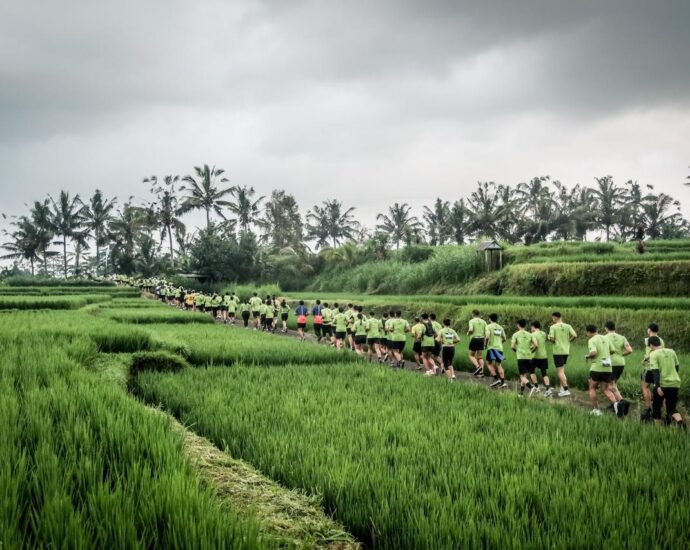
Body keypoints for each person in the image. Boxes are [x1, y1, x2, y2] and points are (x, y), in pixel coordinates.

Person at [648, 336, 684, 428]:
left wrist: (657, 386)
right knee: (671, 409)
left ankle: (658, 430)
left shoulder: (653, 354)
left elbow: (655, 371)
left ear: (651, 345)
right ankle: (680, 423)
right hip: (675, 383)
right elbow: (676, 367)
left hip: (663, 384)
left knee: (656, 408)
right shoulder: (672, 351)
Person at [585, 325, 619, 416]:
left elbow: (594, 352)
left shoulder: (591, 340)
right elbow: (613, 350)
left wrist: (587, 356)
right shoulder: (606, 338)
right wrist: (605, 354)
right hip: (607, 366)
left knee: (592, 387)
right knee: (606, 389)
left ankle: (596, 410)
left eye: (587, 333)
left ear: (589, 332)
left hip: (597, 367)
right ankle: (617, 408)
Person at [605, 320, 632, 416]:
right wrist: (621, 355)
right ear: (614, 328)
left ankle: (620, 402)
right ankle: (618, 404)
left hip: (610, 363)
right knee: (613, 384)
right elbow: (629, 350)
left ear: (606, 328)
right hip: (621, 363)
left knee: (609, 386)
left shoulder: (605, 338)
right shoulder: (622, 337)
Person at [547, 312, 576, 397]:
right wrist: (569, 341)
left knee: (559, 372)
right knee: (562, 371)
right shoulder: (568, 326)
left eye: (553, 318)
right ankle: (562, 389)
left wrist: (549, 338)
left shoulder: (553, 327)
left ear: (555, 317)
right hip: (566, 351)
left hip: (557, 351)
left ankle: (566, 389)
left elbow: (552, 339)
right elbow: (575, 335)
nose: (552, 319)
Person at [641, 323, 664, 421]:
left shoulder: (648, 340)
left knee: (645, 386)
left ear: (649, 330)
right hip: (660, 368)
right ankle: (662, 409)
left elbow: (650, 352)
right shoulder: (661, 340)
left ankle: (648, 408)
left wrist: (645, 359)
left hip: (650, 368)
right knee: (658, 387)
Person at [512, 319, 536, 396]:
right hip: (529, 357)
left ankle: (531, 387)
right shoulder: (530, 334)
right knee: (524, 376)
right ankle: (521, 393)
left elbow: (512, 346)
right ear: (525, 325)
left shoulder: (515, 334)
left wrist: (516, 351)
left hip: (521, 357)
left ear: (518, 325)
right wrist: (531, 351)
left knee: (522, 376)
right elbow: (536, 345)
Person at [485, 313, 508, 389]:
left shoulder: (488, 326)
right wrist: (499, 343)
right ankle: (502, 382)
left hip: (491, 347)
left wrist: (485, 344)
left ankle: (496, 379)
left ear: (490, 319)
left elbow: (487, 336)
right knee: (499, 365)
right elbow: (504, 338)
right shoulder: (500, 327)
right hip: (499, 348)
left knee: (489, 363)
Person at [530, 320, 551, 396]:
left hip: (535, 356)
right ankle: (548, 389)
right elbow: (540, 343)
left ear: (533, 327)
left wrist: (531, 351)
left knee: (531, 371)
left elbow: (536, 345)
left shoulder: (533, 334)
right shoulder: (544, 333)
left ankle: (536, 387)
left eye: (531, 327)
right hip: (544, 356)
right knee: (544, 373)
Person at [467, 310, 487, 377]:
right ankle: (481, 372)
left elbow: (471, 329)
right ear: (479, 314)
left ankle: (478, 367)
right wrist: (485, 342)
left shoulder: (471, 321)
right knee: (479, 357)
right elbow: (486, 333)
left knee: (471, 355)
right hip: (481, 339)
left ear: (473, 314)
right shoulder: (484, 322)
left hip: (475, 339)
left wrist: (468, 333)